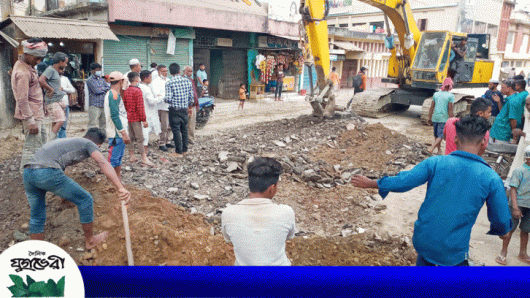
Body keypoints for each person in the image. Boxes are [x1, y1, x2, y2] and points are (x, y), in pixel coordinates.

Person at [352, 115, 512, 266]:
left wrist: (372, 183)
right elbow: (501, 218)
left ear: (455, 139)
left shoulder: (436, 163)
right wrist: (502, 231)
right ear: (484, 142)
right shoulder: (491, 178)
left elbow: (404, 181)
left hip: (424, 241)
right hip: (453, 249)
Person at [22, 128, 131, 249]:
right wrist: (120, 187)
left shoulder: (68, 142)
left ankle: (36, 252)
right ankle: (90, 241)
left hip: (28, 173)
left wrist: (64, 196)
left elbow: (58, 166)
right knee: (85, 199)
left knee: (37, 216)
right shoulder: (89, 144)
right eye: (99, 148)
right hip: (46, 172)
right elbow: (103, 163)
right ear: (98, 145)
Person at [221, 157, 296, 266]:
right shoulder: (286, 212)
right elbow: (289, 236)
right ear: (272, 188)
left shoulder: (228, 214)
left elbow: (228, 239)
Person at [12, 39, 49, 171]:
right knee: (31, 148)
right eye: (37, 58)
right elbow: (22, 99)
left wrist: (43, 107)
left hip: (36, 114)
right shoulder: (23, 73)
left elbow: (34, 91)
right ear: (28, 54)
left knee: (41, 144)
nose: (38, 61)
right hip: (31, 116)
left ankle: (38, 172)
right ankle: (28, 176)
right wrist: (30, 120)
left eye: (40, 58)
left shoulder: (28, 66)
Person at [496, 145, 530, 265]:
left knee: (525, 230)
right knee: (510, 229)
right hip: (518, 204)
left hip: (529, 206)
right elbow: (513, 189)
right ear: (528, 158)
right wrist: (515, 207)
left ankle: (523, 253)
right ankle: (503, 252)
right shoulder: (519, 171)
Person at [123, 72, 154, 167]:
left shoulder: (127, 90)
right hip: (136, 118)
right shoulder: (138, 90)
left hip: (129, 117)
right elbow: (140, 106)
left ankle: (131, 155)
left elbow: (125, 104)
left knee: (131, 137)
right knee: (140, 138)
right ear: (137, 79)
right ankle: (144, 158)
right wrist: (144, 119)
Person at [104, 71, 130, 180]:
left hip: (118, 133)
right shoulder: (113, 95)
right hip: (116, 134)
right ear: (121, 82)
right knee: (113, 159)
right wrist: (123, 133)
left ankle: (117, 178)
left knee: (118, 157)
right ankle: (112, 181)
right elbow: (115, 116)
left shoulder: (114, 94)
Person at [164, 63, 194, 158]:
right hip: (184, 109)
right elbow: (191, 98)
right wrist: (188, 107)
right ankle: (185, 150)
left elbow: (168, 99)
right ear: (179, 71)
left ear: (170, 72)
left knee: (176, 130)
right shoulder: (187, 81)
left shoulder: (169, 82)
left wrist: (163, 98)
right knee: (184, 130)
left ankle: (178, 152)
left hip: (174, 110)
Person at [39, 52, 68, 140]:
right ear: (60, 62)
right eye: (65, 62)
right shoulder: (50, 70)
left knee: (55, 122)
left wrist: (58, 89)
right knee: (60, 121)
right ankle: (49, 141)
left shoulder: (54, 71)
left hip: (57, 100)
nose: (66, 65)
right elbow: (41, 80)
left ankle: (52, 143)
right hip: (52, 101)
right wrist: (50, 89)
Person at [490, 79, 524, 144]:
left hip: (502, 134)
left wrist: (514, 136)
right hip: (498, 132)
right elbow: (503, 112)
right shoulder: (509, 99)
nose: (500, 90)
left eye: (503, 87)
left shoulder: (512, 101)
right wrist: (499, 102)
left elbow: (513, 120)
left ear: (509, 88)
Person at [427, 80, 455, 154]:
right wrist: (451, 119)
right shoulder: (450, 96)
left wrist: (429, 117)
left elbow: (432, 106)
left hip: (435, 117)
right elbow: (450, 108)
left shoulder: (436, 94)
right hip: (443, 118)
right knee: (441, 135)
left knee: (437, 135)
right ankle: (432, 148)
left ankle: (439, 151)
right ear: (449, 86)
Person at [151, 65, 174, 152]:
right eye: (163, 71)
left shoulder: (168, 80)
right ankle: (162, 143)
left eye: (166, 71)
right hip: (162, 106)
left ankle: (168, 141)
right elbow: (157, 94)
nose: (165, 73)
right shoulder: (155, 82)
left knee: (170, 125)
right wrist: (165, 96)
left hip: (170, 106)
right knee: (164, 126)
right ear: (159, 72)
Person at [139, 70, 162, 153]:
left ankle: (143, 147)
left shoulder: (140, 86)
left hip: (143, 111)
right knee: (146, 130)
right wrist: (159, 98)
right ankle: (144, 149)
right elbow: (151, 101)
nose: (151, 79)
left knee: (144, 130)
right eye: (150, 77)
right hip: (147, 112)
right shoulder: (146, 88)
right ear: (146, 78)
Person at [86, 62, 110, 130]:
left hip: (103, 104)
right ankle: (92, 138)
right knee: (92, 124)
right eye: (98, 69)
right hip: (94, 105)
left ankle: (103, 138)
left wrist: (101, 88)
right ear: (93, 70)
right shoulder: (90, 80)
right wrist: (103, 89)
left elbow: (108, 87)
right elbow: (97, 91)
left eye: (100, 69)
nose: (99, 71)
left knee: (103, 123)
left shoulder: (101, 79)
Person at [183, 65, 199, 145]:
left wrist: (197, 104)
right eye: (188, 71)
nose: (190, 73)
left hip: (193, 105)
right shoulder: (183, 80)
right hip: (185, 105)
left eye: (191, 71)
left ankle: (191, 138)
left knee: (192, 123)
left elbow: (194, 93)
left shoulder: (192, 80)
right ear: (184, 71)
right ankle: (184, 139)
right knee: (184, 123)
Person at [57, 71, 76, 138]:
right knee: (57, 124)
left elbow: (72, 90)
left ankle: (62, 140)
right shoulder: (51, 78)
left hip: (65, 103)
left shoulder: (65, 79)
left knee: (64, 124)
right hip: (56, 104)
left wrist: (64, 89)